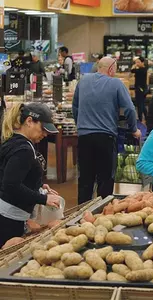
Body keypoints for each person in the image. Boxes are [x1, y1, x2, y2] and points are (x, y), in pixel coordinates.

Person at [73, 57, 141, 204]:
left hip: (84, 137)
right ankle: (102, 213)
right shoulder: (116, 83)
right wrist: (134, 129)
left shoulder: (83, 81)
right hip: (105, 138)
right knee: (105, 179)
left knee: (85, 179)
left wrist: (81, 125)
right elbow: (129, 109)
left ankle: (81, 216)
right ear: (111, 69)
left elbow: (75, 107)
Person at [0, 103, 61, 247]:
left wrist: (37, 184)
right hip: (10, 218)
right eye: (43, 129)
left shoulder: (13, 141)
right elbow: (11, 185)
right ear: (29, 121)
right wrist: (43, 198)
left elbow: (11, 174)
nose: (45, 134)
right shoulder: (24, 150)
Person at [131, 57, 148, 123]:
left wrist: (134, 66)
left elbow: (132, 70)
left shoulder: (142, 70)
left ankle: (140, 119)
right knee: (142, 104)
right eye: (136, 62)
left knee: (140, 104)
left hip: (140, 89)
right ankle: (146, 117)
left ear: (142, 62)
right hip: (141, 88)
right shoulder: (142, 69)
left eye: (138, 62)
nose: (136, 64)